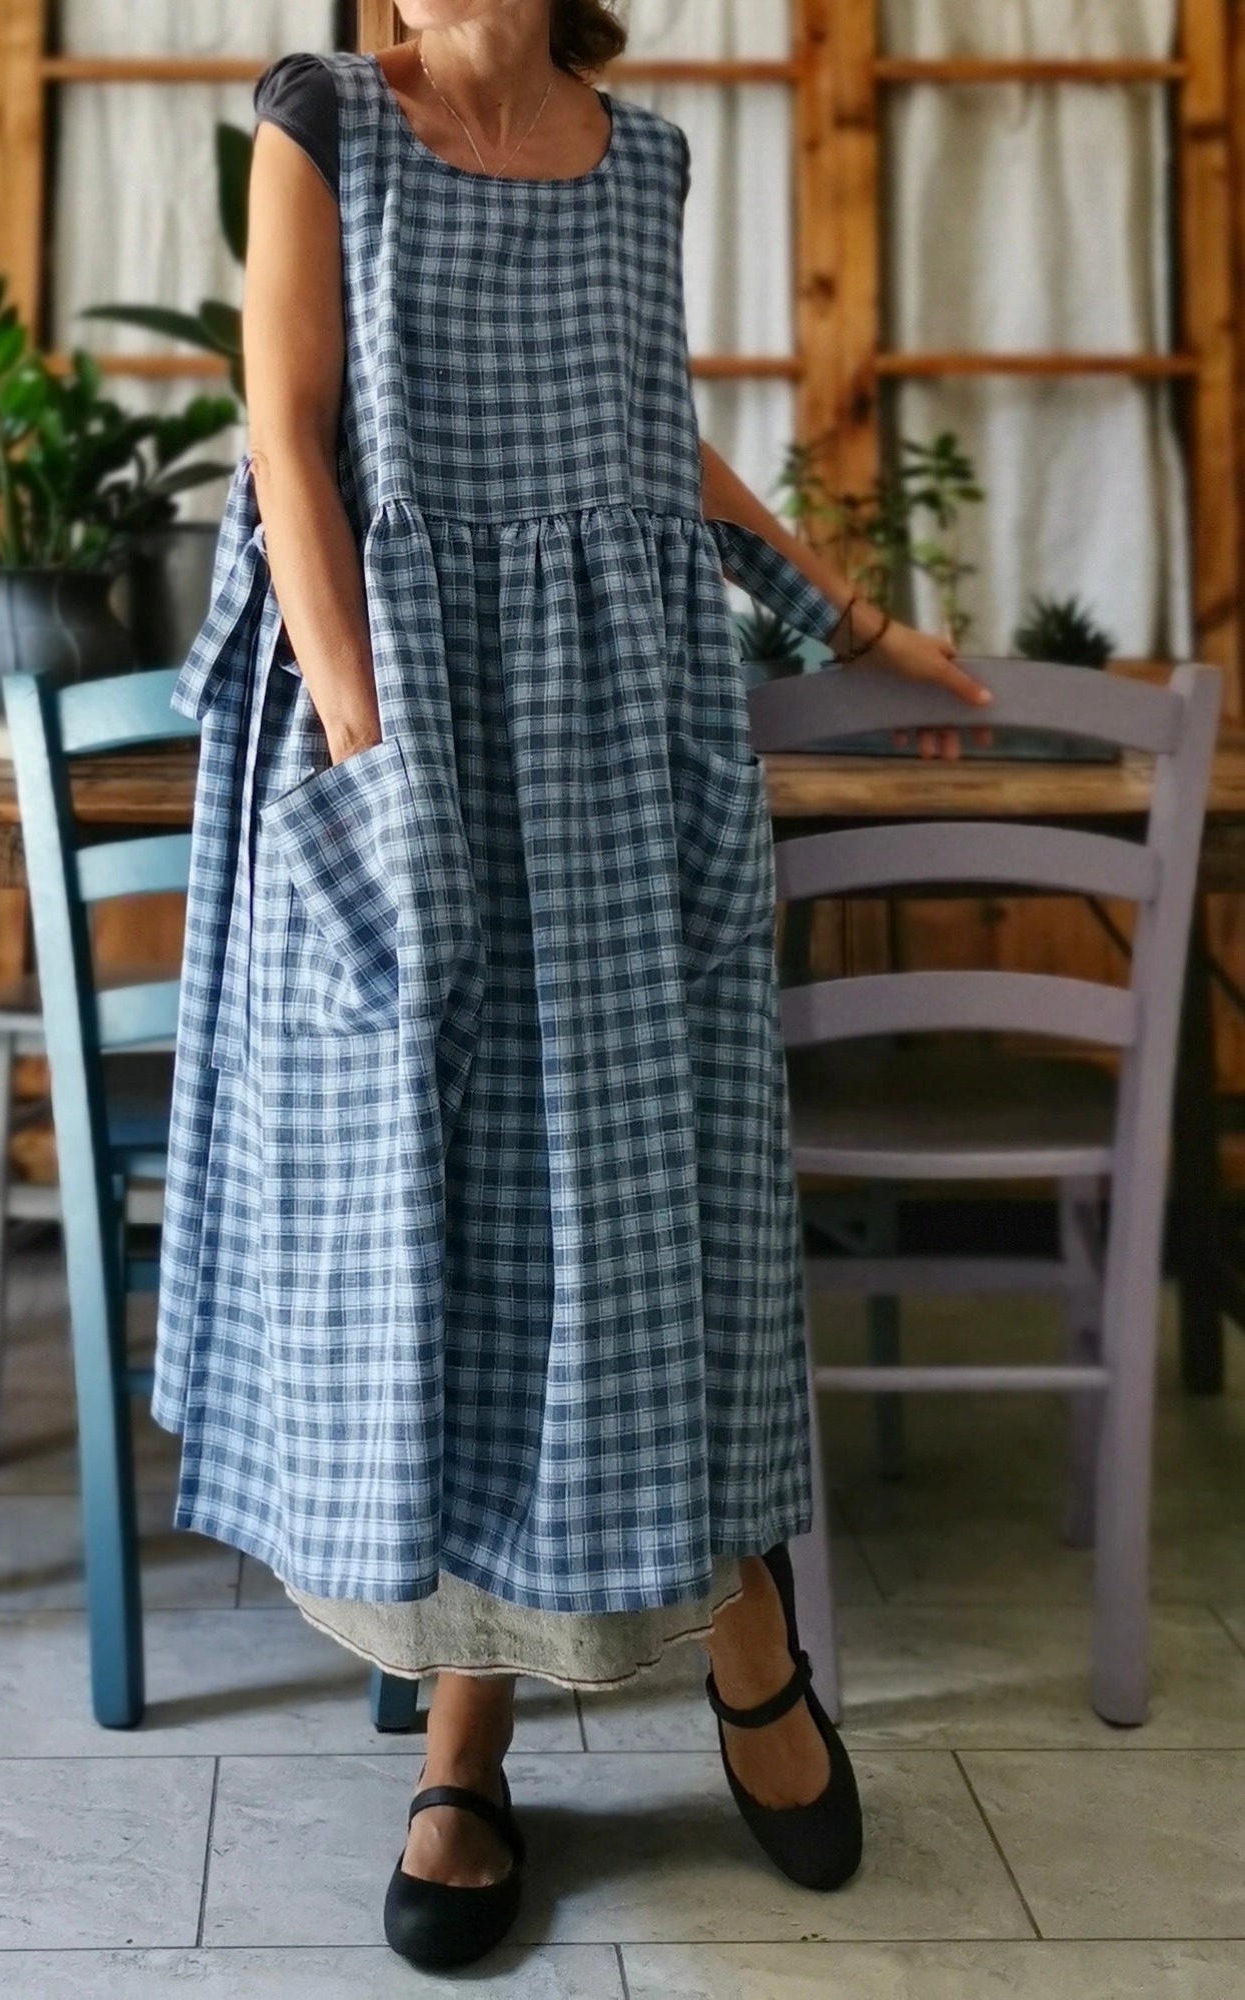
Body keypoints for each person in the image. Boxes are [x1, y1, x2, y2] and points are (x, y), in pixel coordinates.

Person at [153, 0, 991, 1971]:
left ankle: (745, 1641)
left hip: (619, 738)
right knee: (445, 1234)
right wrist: (372, 770)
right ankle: (472, 1731)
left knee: (634, 1215)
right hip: (404, 722)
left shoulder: (645, 161)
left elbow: (648, 443)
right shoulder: (321, 120)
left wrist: (846, 612)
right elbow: (290, 443)